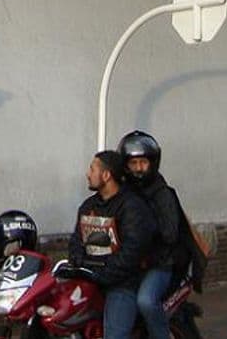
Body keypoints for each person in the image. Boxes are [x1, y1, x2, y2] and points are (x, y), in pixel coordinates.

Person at [68, 149, 156, 338]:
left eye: (92, 169)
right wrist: (77, 260)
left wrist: (105, 273)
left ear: (106, 175)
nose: (87, 174)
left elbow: (133, 250)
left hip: (122, 284)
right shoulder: (88, 206)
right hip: (89, 280)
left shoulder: (132, 207)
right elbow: (77, 239)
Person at [118, 131, 187, 339]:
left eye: (143, 162)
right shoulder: (123, 192)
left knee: (146, 301)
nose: (139, 168)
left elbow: (170, 233)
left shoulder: (162, 193)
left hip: (159, 263)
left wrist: (142, 230)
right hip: (129, 261)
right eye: (133, 163)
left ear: (153, 163)